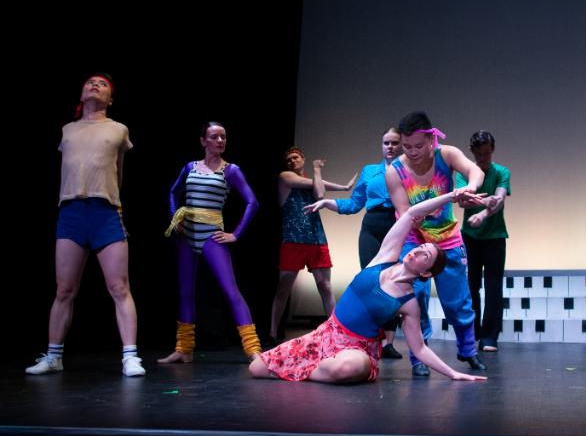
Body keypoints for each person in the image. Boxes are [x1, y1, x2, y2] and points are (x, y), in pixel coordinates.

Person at [249, 191, 487, 383]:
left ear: (426, 272)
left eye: (425, 255)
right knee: (256, 368)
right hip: (327, 334)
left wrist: (453, 373)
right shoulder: (385, 257)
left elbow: (420, 349)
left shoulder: (409, 303)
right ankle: (310, 366)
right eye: (421, 247)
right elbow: (411, 213)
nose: (417, 251)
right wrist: (452, 196)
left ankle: (303, 369)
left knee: (348, 367)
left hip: (356, 350)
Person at [26, 73, 145, 377]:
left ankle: (130, 356)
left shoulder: (118, 129)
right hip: (71, 211)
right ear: (81, 95)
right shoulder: (68, 130)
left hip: (104, 210)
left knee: (119, 286)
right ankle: (54, 356)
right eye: (90, 82)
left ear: (110, 99)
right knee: (64, 289)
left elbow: (118, 173)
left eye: (102, 84)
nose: (95, 85)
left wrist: (113, 204)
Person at [385, 111, 487, 377]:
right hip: (414, 240)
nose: (412, 152)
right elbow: (405, 213)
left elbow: (474, 171)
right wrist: (417, 220)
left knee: (457, 300)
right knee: (415, 299)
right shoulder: (395, 171)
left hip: (448, 237)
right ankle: (418, 357)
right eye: (407, 146)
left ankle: (468, 350)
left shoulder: (446, 155)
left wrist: (469, 188)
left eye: (418, 146)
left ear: (432, 139)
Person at [159, 122, 262, 363]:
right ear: (203, 141)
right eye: (214, 137)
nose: (220, 141)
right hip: (186, 235)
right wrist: (175, 218)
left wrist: (235, 234)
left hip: (211, 235)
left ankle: (253, 350)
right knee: (186, 292)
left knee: (231, 291)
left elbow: (252, 202)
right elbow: (173, 192)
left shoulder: (231, 170)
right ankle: (184, 349)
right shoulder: (190, 167)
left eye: (223, 137)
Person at [302, 128, 405, 358]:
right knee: (371, 281)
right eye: (386, 143)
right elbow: (354, 204)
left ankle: (389, 343)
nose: (389, 147)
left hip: (397, 226)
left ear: (402, 145)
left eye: (394, 143)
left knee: (394, 281)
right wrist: (327, 203)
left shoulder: (408, 170)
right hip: (372, 226)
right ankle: (373, 339)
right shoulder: (370, 171)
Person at [272, 147, 356, 346]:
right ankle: (272, 332)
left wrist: (344, 187)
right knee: (284, 287)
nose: (292, 161)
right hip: (293, 240)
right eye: (289, 159)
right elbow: (318, 190)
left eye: (295, 157)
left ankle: (335, 330)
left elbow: (319, 193)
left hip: (316, 239)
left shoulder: (312, 181)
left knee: (325, 286)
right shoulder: (285, 176)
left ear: (303, 158)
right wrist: (323, 174)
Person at [456, 130, 510, 352]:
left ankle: (489, 337)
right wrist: (486, 202)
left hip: (495, 237)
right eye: (478, 154)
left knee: (494, 286)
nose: (483, 158)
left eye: (486, 153)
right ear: (472, 152)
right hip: (470, 237)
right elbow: (462, 202)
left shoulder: (501, 172)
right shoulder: (466, 173)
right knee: (471, 286)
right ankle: (473, 333)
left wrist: (483, 213)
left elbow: (499, 200)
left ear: (492, 150)